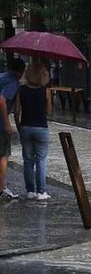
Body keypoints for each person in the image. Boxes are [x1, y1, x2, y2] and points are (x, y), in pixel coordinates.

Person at [13, 60, 53, 200]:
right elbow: (48, 111)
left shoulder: (21, 89)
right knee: (41, 160)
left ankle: (30, 191)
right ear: (43, 75)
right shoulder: (45, 91)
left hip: (25, 127)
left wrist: (19, 125)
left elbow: (16, 111)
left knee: (28, 160)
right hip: (41, 128)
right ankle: (41, 192)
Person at [0, 56, 26, 200]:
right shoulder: (13, 82)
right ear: (20, 71)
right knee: (3, 155)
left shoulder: (1, 77)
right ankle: (1, 187)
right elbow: (2, 101)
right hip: (0, 126)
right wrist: (7, 124)